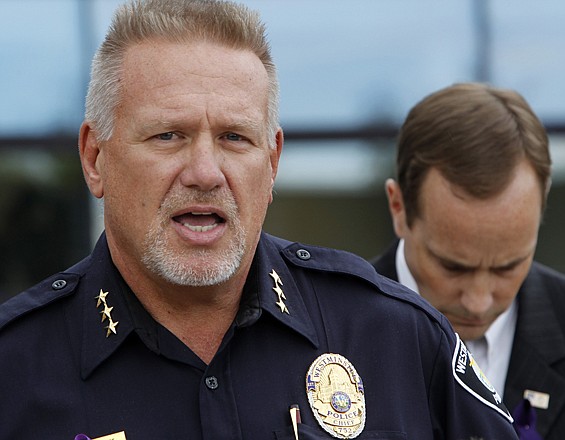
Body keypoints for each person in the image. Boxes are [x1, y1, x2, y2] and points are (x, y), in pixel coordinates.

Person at [0, 2, 518, 439]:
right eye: (168, 136)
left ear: (271, 163)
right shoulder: (14, 369)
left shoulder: (396, 339)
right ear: (95, 159)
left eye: (234, 138)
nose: (206, 173)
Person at [370, 82, 565, 440]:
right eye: (453, 266)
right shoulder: (327, 327)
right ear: (398, 208)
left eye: (508, 266)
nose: (479, 301)